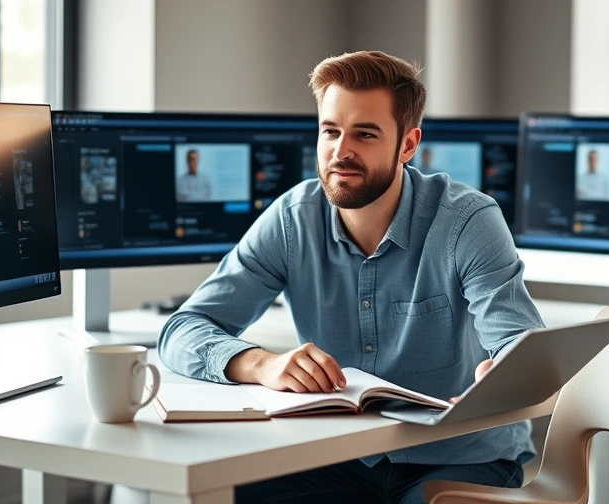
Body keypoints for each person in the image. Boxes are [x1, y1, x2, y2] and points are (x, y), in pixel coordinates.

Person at [158, 51, 544, 504]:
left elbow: (523, 348)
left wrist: (501, 377)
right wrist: (264, 365)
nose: (341, 152)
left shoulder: (467, 220)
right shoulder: (292, 220)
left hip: (459, 454)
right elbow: (182, 331)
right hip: (337, 458)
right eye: (330, 131)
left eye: (364, 134)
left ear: (407, 144)